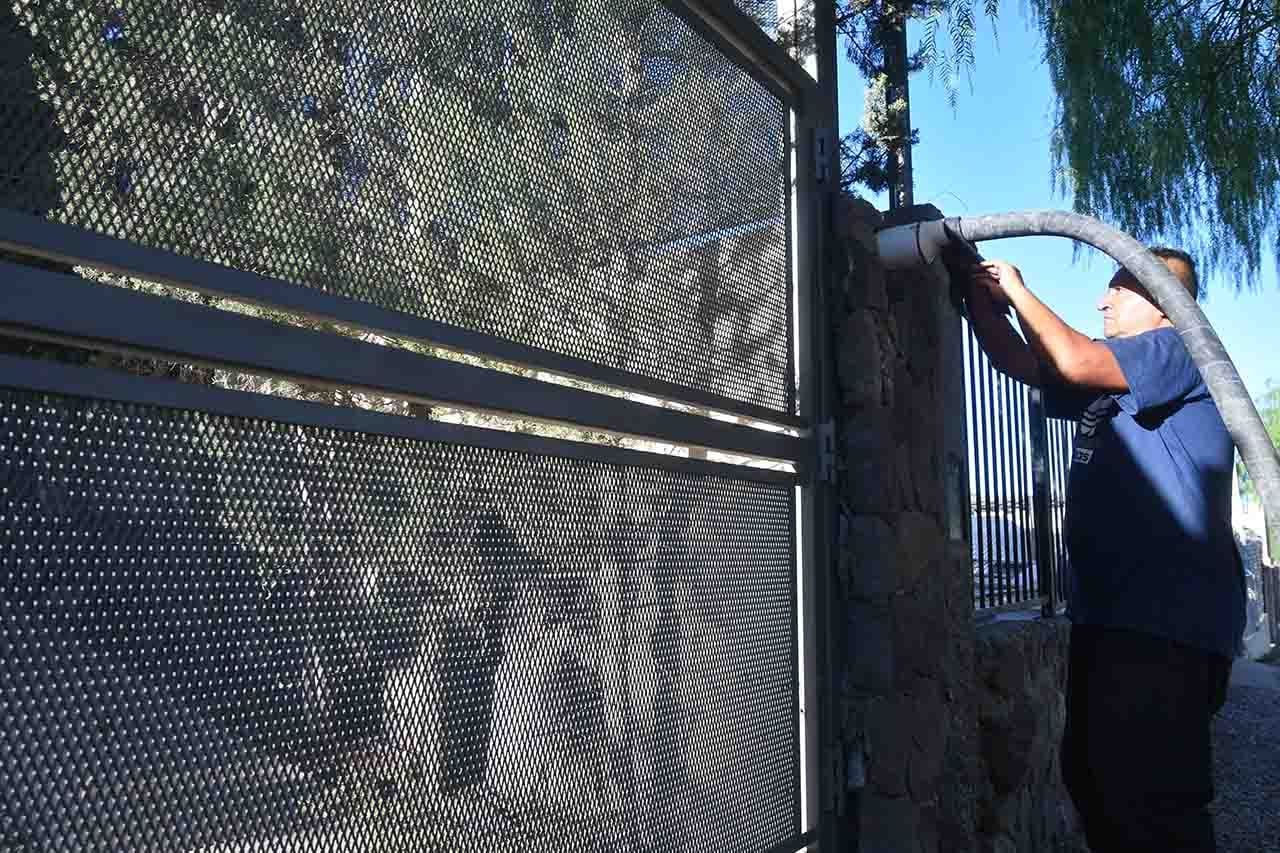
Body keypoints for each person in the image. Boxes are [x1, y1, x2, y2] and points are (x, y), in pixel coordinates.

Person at [964, 249, 1244, 852]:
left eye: (1119, 289)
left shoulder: (1184, 349)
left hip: (1168, 624)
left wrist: (1016, 289)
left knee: (1152, 803)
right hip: (1111, 617)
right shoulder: (1117, 384)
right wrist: (978, 301)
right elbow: (1025, 361)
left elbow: (1072, 355)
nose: (1103, 301)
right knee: (1094, 782)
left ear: (1168, 307)